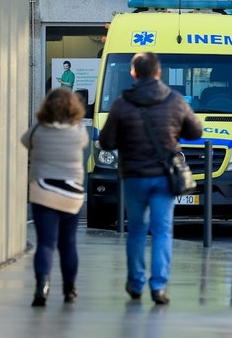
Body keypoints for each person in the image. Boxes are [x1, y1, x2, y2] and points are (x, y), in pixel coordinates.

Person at [98, 52, 203, 305]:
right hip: (163, 176)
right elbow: (195, 131)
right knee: (162, 231)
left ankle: (135, 283)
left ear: (133, 73)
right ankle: (158, 287)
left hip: (133, 176)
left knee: (136, 230)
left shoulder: (122, 103)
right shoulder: (175, 100)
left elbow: (106, 141)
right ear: (159, 72)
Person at [20, 88, 89, 307]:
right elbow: (84, 145)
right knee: (68, 243)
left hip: (43, 192)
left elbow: (24, 141)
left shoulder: (38, 130)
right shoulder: (79, 130)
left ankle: (42, 287)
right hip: (72, 194)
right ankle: (70, 290)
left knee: (46, 243)